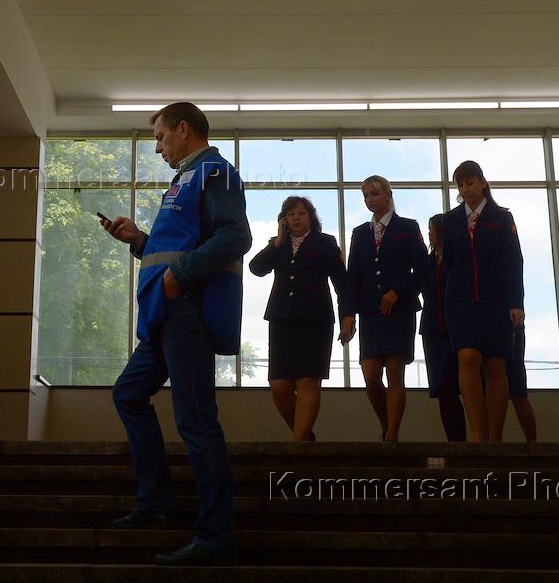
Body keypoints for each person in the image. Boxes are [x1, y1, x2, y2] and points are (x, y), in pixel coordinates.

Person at [100, 102, 251, 567]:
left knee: (196, 419)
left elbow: (236, 237)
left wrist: (178, 275)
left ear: (183, 129)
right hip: (165, 312)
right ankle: (156, 503)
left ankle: (216, 535)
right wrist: (139, 241)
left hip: (186, 310)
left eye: (161, 137)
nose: (158, 148)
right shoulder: (184, 180)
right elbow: (178, 245)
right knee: (128, 394)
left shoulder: (216, 173)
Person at [248, 196, 345, 442]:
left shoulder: (325, 243)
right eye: (290, 214)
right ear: (283, 220)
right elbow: (256, 268)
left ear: (311, 217)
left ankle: (298, 445)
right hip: (282, 319)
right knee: (279, 384)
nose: (296, 218)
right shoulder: (277, 245)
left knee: (308, 381)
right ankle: (305, 437)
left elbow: (342, 283)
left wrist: (348, 317)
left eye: (301, 213)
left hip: (315, 320)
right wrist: (277, 243)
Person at [340, 176, 428, 441]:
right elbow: (353, 276)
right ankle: (386, 423)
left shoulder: (407, 227)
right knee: (370, 374)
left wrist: (398, 290)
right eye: (365, 195)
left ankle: (392, 435)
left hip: (399, 311)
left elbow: (422, 269)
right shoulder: (360, 233)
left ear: (388, 195)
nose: (370, 200)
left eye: (374, 194)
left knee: (395, 372)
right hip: (370, 311)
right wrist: (347, 315)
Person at [442, 160, 525, 443]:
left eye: (470, 182)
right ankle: (478, 434)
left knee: (495, 365)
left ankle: (495, 437)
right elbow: (448, 263)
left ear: (482, 182)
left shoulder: (501, 218)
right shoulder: (450, 220)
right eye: (461, 184)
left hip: (496, 301)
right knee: (467, 357)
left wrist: (516, 302)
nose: (466, 189)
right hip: (460, 301)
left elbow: (513, 260)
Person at [420, 213, 466, 442]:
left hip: (455, 329)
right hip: (432, 330)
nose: (429, 233)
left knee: (457, 384)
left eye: (432, 229)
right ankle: (455, 441)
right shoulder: (427, 262)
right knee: (442, 388)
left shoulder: (456, 260)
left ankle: (467, 440)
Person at [501, 326, 538, 442]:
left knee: (518, 393)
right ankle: (490, 441)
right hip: (508, 327)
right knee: (518, 393)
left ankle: (533, 443)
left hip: (510, 326)